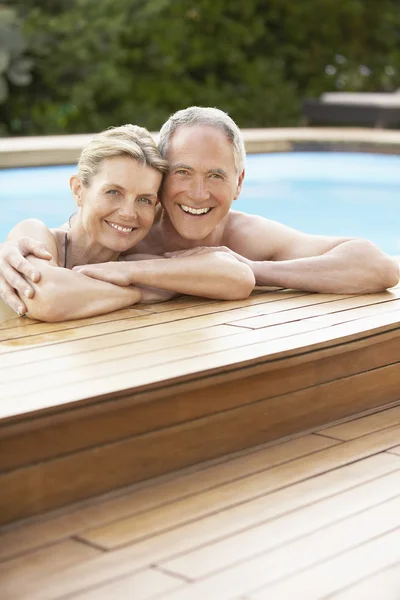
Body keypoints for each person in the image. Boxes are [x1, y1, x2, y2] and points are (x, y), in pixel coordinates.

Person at [1, 107, 398, 314]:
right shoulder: (133, 227)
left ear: (239, 183)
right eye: (183, 172)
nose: (197, 192)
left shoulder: (243, 235)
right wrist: (154, 285)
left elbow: (378, 266)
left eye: (216, 176)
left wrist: (252, 267)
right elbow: (48, 285)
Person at [0, 123, 255, 320]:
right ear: (79, 189)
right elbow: (45, 297)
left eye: (144, 200)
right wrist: (140, 293)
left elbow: (238, 277)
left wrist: (131, 274)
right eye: (114, 192)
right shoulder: (36, 234)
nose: (128, 213)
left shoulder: (133, 261)